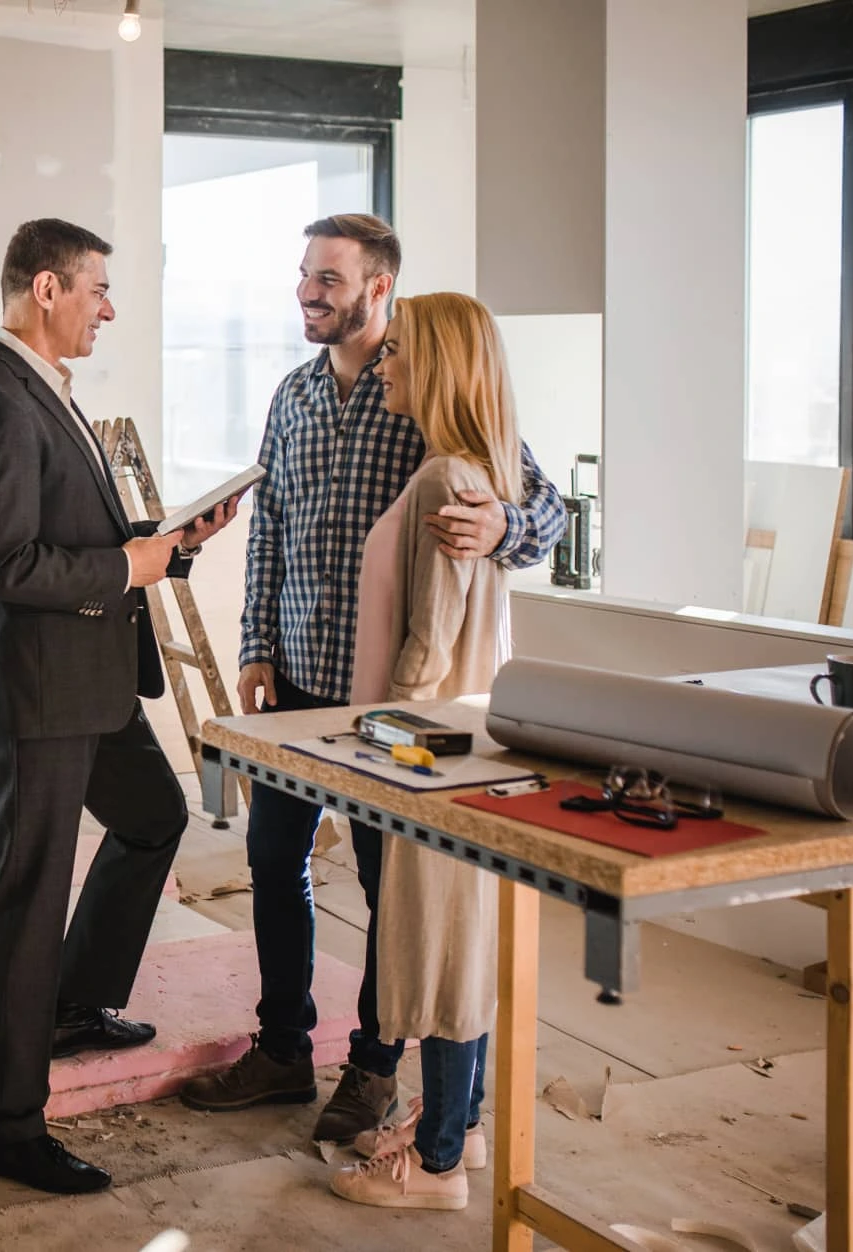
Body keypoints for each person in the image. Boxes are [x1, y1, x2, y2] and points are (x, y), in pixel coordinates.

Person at [179, 215, 565, 1145]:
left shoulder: (425, 385)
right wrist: (255, 645)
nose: (309, 293)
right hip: (299, 682)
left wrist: (502, 532)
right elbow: (268, 528)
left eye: (329, 279)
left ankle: (374, 1066)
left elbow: (542, 504)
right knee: (276, 861)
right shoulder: (292, 395)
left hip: (390, 703)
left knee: (394, 890)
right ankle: (281, 1049)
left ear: (379, 288)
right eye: (304, 275)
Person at [0, 218, 239, 1195]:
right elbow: (5, 563)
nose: (109, 308)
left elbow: (71, 537)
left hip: (89, 679)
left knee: (155, 818)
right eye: (98, 289)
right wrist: (129, 564)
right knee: (29, 896)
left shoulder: (43, 395)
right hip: (36, 692)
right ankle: (7, 1123)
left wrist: (171, 541)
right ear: (45, 289)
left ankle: (76, 1001)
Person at [328, 291, 516, 1209]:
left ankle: (435, 1162)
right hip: (457, 748)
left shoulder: (449, 479)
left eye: (398, 351)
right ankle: (460, 1128)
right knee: (457, 941)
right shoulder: (468, 470)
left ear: (437, 364)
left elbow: (427, 651)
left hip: (426, 754)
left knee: (437, 948)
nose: (385, 364)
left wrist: (372, 753)